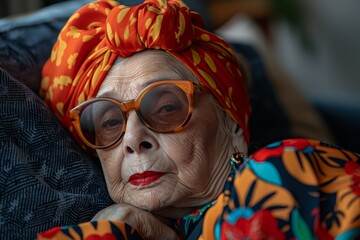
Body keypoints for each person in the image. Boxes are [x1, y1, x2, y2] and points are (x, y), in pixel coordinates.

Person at [37, 0, 359, 239]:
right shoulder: (116, 228)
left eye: (165, 108)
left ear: (232, 124)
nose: (133, 138)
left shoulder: (278, 175)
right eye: (110, 123)